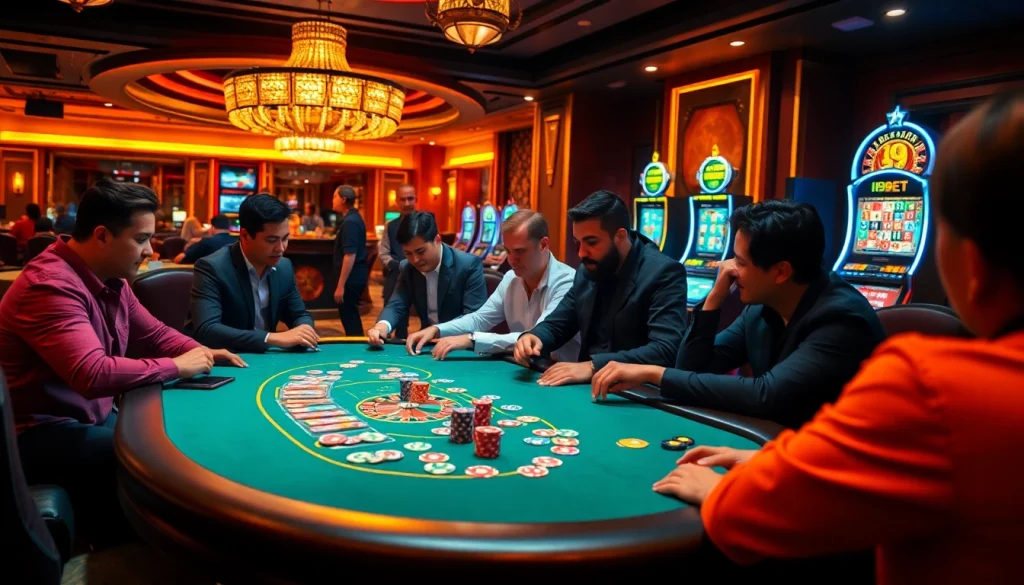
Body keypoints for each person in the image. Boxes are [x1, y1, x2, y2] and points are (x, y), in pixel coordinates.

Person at [652, 92, 1024, 585]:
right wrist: (775, 457)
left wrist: (721, 486)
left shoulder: (929, 385)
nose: (730, 268)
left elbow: (746, 518)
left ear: (972, 263)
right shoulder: (762, 310)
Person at [0, 178, 244, 547]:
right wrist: (179, 366)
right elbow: (92, 372)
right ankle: (143, 551)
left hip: (90, 415)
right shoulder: (50, 285)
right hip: (39, 433)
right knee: (158, 454)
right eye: (141, 238)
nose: (150, 249)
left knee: (173, 432)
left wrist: (204, 353)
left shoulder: (111, 277)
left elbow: (155, 335)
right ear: (101, 236)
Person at [592, 200, 885, 428]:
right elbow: (692, 368)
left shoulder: (842, 319)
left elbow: (767, 395)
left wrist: (654, 373)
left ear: (781, 271)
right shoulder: (761, 307)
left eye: (741, 262)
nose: (728, 267)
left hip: (840, 472)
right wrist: (714, 300)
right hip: (786, 446)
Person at [513, 190, 688, 386]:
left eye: (591, 242)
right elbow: (559, 322)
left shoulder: (663, 272)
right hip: (588, 388)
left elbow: (665, 349)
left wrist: (593, 366)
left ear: (620, 236)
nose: (581, 253)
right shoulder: (587, 270)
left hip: (638, 394)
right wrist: (535, 337)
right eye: (577, 242)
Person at [405, 209, 580, 361]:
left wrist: (472, 340)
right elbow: (480, 318)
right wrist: (436, 330)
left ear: (543, 245)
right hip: (527, 369)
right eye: (508, 251)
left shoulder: (567, 282)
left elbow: (537, 337)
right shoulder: (511, 278)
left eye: (519, 251)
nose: (511, 260)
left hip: (563, 375)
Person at [185, 193, 319, 353]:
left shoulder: (284, 267)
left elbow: (299, 314)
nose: (281, 248)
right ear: (245, 236)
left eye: (285, 238)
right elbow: (207, 330)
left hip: (266, 360)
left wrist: (304, 328)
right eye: (271, 240)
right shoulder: (212, 267)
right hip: (222, 361)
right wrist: (271, 338)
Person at [367, 210, 487, 347]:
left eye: (420, 251)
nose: (415, 260)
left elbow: (475, 318)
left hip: (461, 345)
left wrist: (437, 330)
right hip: (428, 344)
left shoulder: (468, 265)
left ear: (437, 240)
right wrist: (381, 327)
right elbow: (397, 305)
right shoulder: (407, 267)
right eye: (408, 253)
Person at [378, 183, 418, 338]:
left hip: (422, 274)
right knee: (392, 314)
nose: (407, 203)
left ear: (416, 199)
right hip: (396, 274)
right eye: (403, 199)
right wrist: (399, 265)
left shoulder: (425, 222)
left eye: (410, 199)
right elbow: (383, 253)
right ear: (397, 201)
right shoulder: (391, 226)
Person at [332, 185, 368, 336]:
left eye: (335, 197)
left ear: (343, 199)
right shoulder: (352, 218)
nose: (332, 201)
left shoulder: (350, 222)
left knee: (350, 317)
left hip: (352, 278)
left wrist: (341, 286)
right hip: (354, 276)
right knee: (349, 316)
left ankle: (356, 349)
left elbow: (350, 255)